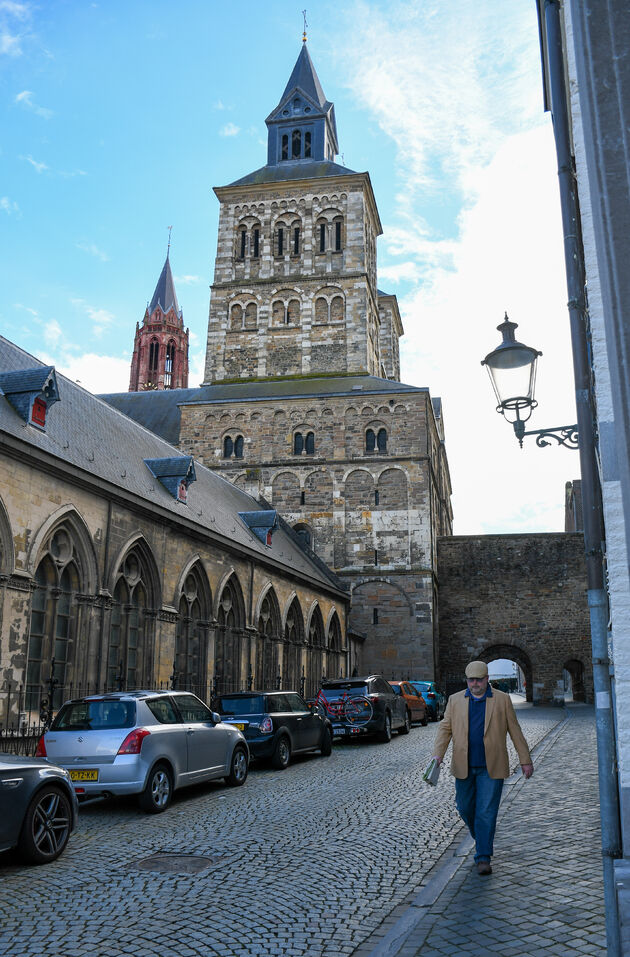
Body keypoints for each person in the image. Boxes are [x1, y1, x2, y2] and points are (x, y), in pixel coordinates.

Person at [432, 660, 533, 875]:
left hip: (492, 766)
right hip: (464, 766)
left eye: (479, 679)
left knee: (486, 812)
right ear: (467, 680)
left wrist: (525, 760)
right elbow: (445, 729)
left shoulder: (502, 700)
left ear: (487, 679)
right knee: (465, 808)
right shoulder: (455, 700)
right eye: (471, 680)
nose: (475, 684)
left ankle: (483, 856)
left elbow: (515, 730)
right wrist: (437, 756)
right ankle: (482, 835)